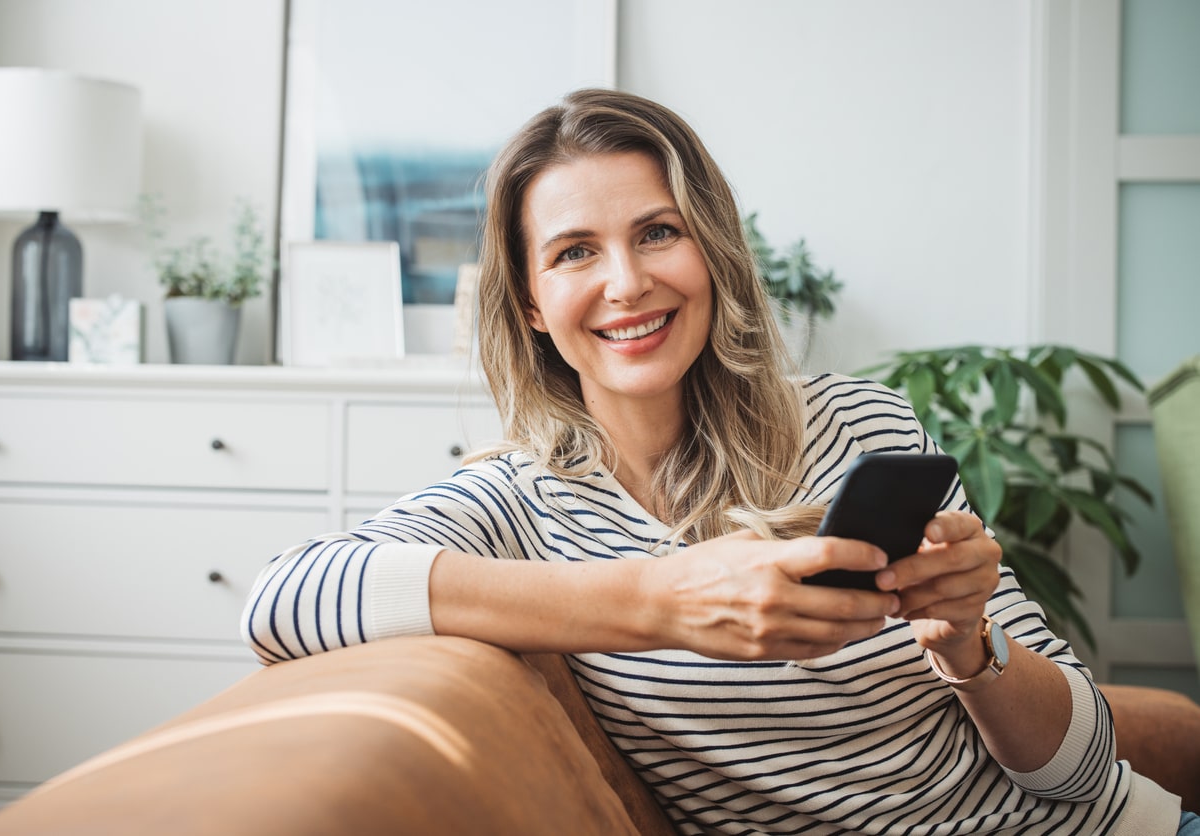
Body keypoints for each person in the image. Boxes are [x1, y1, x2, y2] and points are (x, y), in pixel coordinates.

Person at [242, 88, 1188, 835]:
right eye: (575, 252)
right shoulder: (512, 504)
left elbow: (1079, 766)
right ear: (530, 305)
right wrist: (664, 602)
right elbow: (286, 596)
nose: (628, 282)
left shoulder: (860, 422)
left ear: (712, 249)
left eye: (658, 232)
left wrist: (969, 644)